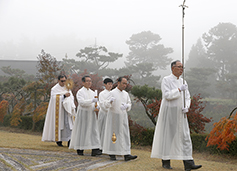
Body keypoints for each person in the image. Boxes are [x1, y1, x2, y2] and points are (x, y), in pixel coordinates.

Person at [150, 60, 202, 171]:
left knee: (185, 137)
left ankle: (188, 163)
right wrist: (178, 90)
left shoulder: (184, 81)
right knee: (168, 137)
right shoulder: (166, 80)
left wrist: (186, 106)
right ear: (173, 68)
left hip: (181, 114)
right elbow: (167, 95)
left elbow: (187, 96)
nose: (181, 69)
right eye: (179, 67)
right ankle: (166, 161)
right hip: (170, 113)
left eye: (183, 67)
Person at [103, 77, 137, 161]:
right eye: (123, 83)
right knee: (114, 133)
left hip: (123, 116)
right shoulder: (112, 93)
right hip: (114, 116)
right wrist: (109, 102)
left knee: (124, 134)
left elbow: (129, 103)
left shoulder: (125, 94)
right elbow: (105, 105)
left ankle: (126, 153)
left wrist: (127, 106)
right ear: (118, 83)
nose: (125, 85)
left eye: (126, 84)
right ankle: (112, 152)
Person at [69, 75, 102, 156]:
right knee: (82, 131)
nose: (89, 82)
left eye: (90, 81)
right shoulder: (80, 92)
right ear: (83, 82)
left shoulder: (92, 92)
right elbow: (81, 102)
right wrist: (92, 100)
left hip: (91, 114)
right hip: (83, 115)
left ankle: (95, 149)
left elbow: (96, 103)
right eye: (87, 81)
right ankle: (80, 148)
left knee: (93, 131)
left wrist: (97, 106)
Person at [42, 75, 75, 147]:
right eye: (62, 81)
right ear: (58, 81)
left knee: (68, 124)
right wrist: (63, 96)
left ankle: (70, 139)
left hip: (67, 109)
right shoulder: (54, 89)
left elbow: (72, 97)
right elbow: (54, 99)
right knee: (59, 124)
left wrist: (70, 100)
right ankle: (59, 140)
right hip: (58, 110)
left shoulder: (67, 87)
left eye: (65, 81)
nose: (63, 82)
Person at [98, 78, 114, 152]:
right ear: (105, 85)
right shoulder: (102, 94)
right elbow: (102, 104)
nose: (110, 86)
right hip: (104, 114)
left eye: (111, 84)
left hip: (111, 114)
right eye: (109, 84)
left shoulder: (113, 93)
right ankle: (100, 147)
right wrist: (108, 106)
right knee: (103, 130)